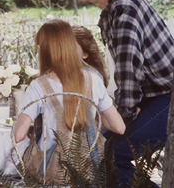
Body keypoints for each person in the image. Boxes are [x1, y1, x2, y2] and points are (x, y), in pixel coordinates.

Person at [72, 0, 174, 188]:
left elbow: (129, 72)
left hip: (171, 99)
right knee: (94, 152)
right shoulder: (111, 13)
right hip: (153, 98)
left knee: (107, 157)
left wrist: (122, 117)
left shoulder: (125, 8)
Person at [15, 19, 125, 184]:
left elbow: (18, 135)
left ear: (42, 50)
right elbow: (119, 127)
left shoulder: (39, 86)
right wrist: (90, 117)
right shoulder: (94, 79)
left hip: (51, 173)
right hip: (90, 173)